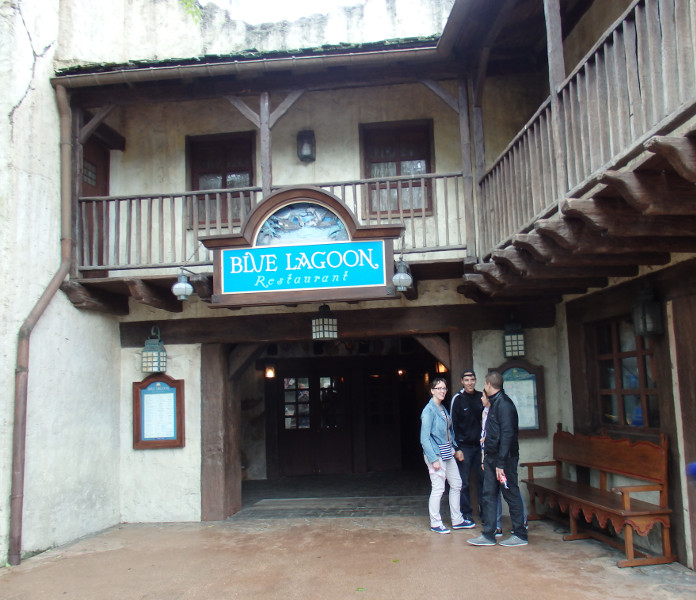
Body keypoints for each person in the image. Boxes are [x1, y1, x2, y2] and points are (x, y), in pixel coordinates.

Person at [468, 371, 528, 547]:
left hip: (504, 460)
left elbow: (508, 435)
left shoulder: (505, 405)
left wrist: (501, 463)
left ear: (488, 384)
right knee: (488, 494)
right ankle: (488, 534)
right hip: (491, 458)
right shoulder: (494, 404)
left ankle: (520, 534)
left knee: (510, 493)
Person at [420, 377, 466, 534]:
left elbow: (449, 431)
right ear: (432, 390)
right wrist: (433, 459)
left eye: (444, 388)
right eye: (438, 388)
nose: (442, 391)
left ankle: (457, 519)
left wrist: (455, 447)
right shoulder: (429, 411)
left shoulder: (442, 408)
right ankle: (435, 522)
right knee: (438, 488)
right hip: (436, 453)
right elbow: (424, 438)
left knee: (456, 483)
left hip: (447, 451)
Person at [449, 369, 483, 528]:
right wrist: (456, 448)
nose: (470, 383)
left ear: (476, 381)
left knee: (483, 480)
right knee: (464, 482)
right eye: (467, 380)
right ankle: (466, 513)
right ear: (462, 381)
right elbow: (452, 425)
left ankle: (485, 512)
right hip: (465, 447)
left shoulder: (481, 397)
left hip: (480, 446)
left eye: (472, 380)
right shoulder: (458, 399)